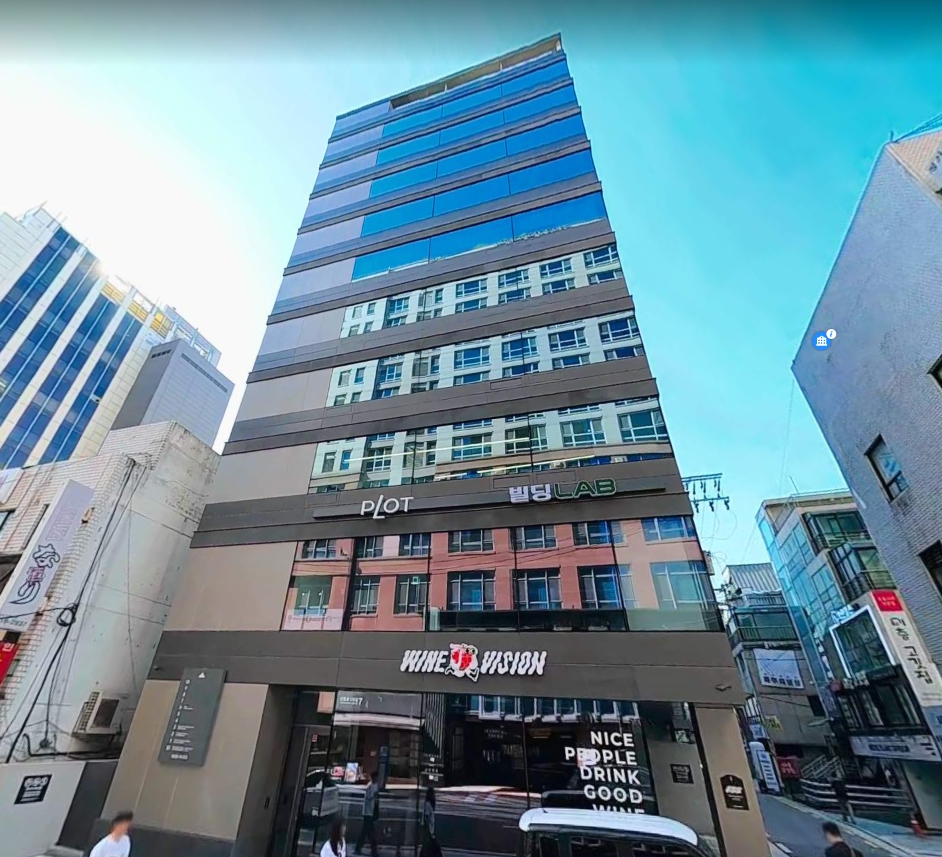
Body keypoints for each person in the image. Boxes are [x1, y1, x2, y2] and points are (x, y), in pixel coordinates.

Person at [355, 771, 380, 857]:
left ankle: (358, 848)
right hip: (368, 813)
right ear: (373, 778)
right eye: (376, 777)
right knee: (370, 833)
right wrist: (375, 795)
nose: (377, 779)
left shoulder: (374, 785)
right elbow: (369, 797)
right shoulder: (370, 786)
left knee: (365, 832)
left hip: (370, 813)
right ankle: (373, 851)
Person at [420, 787, 440, 857]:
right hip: (428, 831)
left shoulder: (428, 804)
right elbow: (427, 818)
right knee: (432, 847)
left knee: (428, 848)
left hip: (429, 831)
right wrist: (428, 832)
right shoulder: (428, 804)